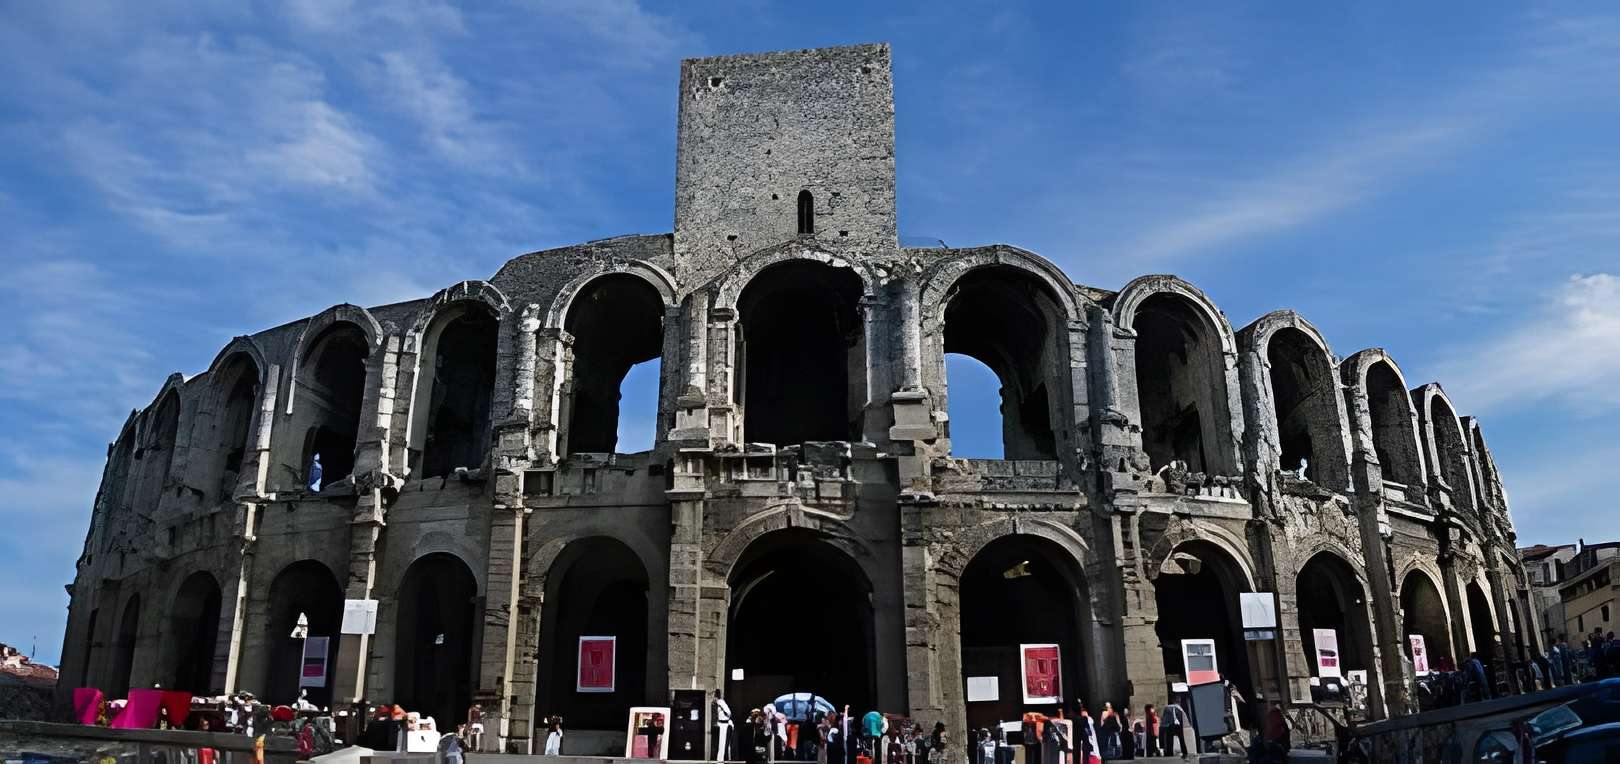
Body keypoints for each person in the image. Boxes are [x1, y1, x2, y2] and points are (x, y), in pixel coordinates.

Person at [716, 691, 735, 761]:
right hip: (721, 723)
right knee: (722, 743)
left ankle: (721, 759)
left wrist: (727, 716)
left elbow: (728, 712)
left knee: (723, 742)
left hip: (724, 724)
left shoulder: (720, 702)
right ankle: (721, 758)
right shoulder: (719, 702)